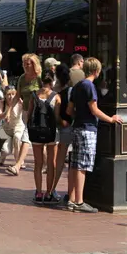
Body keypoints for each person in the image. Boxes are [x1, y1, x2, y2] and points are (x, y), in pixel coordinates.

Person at [67, 58, 122, 213]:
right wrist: (111, 119)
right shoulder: (90, 86)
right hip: (88, 129)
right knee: (82, 165)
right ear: (97, 71)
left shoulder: (77, 86)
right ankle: (79, 201)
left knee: (74, 164)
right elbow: (94, 109)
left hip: (77, 127)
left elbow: (69, 110)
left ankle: (71, 199)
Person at [27, 72, 60, 204]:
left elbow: (29, 115)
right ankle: (49, 193)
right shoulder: (56, 97)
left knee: (38, 163)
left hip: (36, 132)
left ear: (41, 81)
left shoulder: (33, 95)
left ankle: (39, 192)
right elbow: (57, 118)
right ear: (52, 81)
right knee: (51, 163)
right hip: (51, 132)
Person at [49, 64, 73, 201]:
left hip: (52, 128)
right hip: (66, 126)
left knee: (52, 160)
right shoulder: (69, 91)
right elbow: (70, 110)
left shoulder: (52, 91)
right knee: (61, 161)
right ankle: (53, 189)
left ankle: (49, 189)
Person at [0, 86, 30, 175]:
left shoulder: (19, 102)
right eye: (8, 94)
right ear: (5, 95)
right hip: (6, 129)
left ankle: (18, 162)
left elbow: (27, 111)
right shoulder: (1, 103)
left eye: (13, 94)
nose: (11, 96)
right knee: (6, 151)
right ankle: (1, 157)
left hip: (18, 127)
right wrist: (5, 113)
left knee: (17, 137)